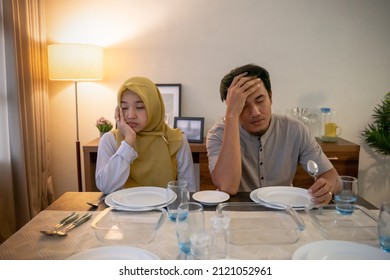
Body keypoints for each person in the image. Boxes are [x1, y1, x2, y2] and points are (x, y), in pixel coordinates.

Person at [206, 64, 339, 205]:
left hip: (284, 210)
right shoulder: (217, 134)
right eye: (244, 105)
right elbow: (228, 187)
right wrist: (232, 116)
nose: (255, 112)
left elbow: (331, 176)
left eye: (260, 100)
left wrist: (327, 188)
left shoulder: (295, 129)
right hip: (237, 212)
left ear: (270, 96)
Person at [96, 76, 196, 194]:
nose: (130, 115)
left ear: (154, 108)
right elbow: (105, 187)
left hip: (165, 210)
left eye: (140, 107)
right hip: (123, 211)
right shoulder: (109, 140)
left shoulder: (177, 140)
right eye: (124, 107)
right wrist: (128, 142)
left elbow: (188, 191)